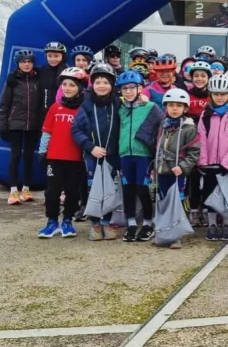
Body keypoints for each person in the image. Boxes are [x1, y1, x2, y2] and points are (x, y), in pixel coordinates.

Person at [71, 63, 121, 241]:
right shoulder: (86, 105)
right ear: (92, 84)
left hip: (112, 156)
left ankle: (107, 222)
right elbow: (76, 130)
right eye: (98, 82)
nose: (102, 86)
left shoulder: (118, 104)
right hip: (92, 156)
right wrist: (91, 147)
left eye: (106, 82)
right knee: (93, 189)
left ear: (112, 85)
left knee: (110, 189)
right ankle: (95, 224)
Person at [37, 67, 88, 238]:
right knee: (52, 192)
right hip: (54, 158)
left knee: (73, 192)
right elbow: (47, 131)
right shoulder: (55, 107)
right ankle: (52, 222)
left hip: (75, 159)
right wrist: (42, 152)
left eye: (72, 85)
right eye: (64, 84)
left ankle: (67, 221)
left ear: (80, 88)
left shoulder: (84, 109)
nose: (67, 88)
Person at [117, 70, 164, 242]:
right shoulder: (120, 108)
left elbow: (164, 124)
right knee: (127, 190)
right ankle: (131, 224)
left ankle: (147, 223)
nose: (128, 91)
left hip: (143, 154)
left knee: (142, 189)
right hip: (124, 154)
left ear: (140, 88)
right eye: (124, 88)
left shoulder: (150, 107)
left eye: (132, 87)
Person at [197, 75, 228, 242]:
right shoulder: (205, 115)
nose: (219, 97)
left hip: (227, 165)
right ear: (211, 95)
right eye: (216, 94)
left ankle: (226, 224)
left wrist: (227, 163)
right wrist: (203, 162)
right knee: (209, 194)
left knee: (226, 194)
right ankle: (212, 225)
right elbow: (201, 139)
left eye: (223, 94)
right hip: (209, 163)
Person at [155, 88, 201, 249]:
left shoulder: (189, 128)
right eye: (171, 105)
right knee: (163, 201)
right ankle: (163, 232)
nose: (174, 109)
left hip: (177, 172)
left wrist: (182, 166)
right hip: (162, 171)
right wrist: (155, 166)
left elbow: (194, 152)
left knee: (177, 203)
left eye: (179, 106)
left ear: (185, 108)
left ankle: (176, 236)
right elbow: (158, 147)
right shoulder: (163, 126)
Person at [0, 49, 41, 205]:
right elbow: (4, 104)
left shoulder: (38, 79)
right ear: (18, 64)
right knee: (15, 156)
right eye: (23, 62)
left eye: (29, 61)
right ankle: (13, 191)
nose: (26, 64)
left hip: (33, 124)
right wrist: (3, 126)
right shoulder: (12, 80)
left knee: (29, 157)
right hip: (15, 124)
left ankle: (26, 189)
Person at [185, 60, 211, 226]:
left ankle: (207, 209)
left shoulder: (213, 96)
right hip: (191, 141)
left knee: (207, 177)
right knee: (193, 179)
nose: (199, 78)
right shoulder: (187, 95)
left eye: (203, 76)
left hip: (208, 142)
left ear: (208, 78)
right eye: (196, 75)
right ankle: (194, 210)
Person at [39, 41, 68, 122]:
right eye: (49, 56)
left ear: (63, 56)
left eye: (56, 56)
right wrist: (14, 74)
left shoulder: (67, 72)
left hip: (60, 114)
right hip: (43, 113)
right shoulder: (41, 70)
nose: (52, 59)